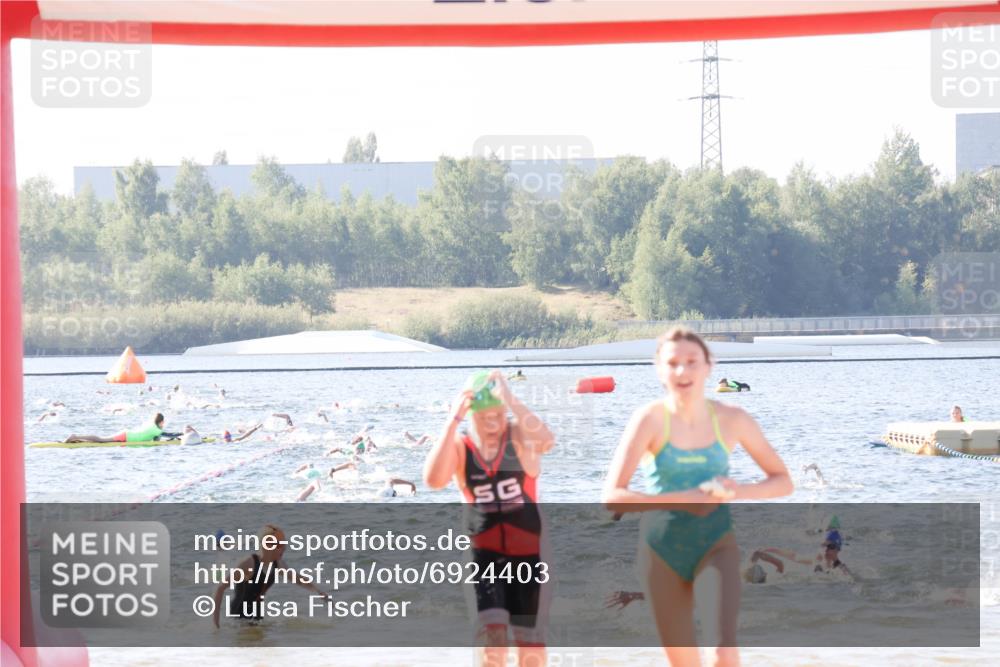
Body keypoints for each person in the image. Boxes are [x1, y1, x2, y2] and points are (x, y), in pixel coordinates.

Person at [602, 327, 792, 666]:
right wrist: (684, 498)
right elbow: (613, 497)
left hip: (715, 546)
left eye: (692, 361)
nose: (682, 370)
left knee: (722, 652)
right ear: (659, 369)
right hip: (660, 552)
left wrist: (739, 490)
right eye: (672, 363)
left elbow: (783, 482)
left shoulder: (732, 418)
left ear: (708, 366)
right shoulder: (648, 419)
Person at [424, 369, 555, 667]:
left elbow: (547, 441)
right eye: (485, 418)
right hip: (482, 558)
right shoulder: (461, 448)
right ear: (471, 416)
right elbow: (433, 480)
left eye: (498, 415)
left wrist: (511, 399)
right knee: (491, 641)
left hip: (531, 556)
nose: (493, 424)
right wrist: (451, 421)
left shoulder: (519, 436)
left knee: (530, 647)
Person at [210, 524, 328, 627]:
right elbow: (220, 588)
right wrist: (216, 625)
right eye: (279, 546)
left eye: (284, 546)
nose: (283, 549)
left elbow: (298, 579)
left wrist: (318, 591)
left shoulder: (277, 564)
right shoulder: (249, 563)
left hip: (257, 619)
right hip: (239, 621)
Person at [63, 412, 166, 443]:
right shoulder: (156, 430)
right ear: (161, 422)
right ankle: (75, 436)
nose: (164, 424)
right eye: (163, 422)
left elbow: (156, 440)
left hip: (127, 434)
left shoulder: (152, 425)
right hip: (126, 436)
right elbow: (167, 435)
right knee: (101, 440)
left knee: (101, 440)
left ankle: (77, 438)